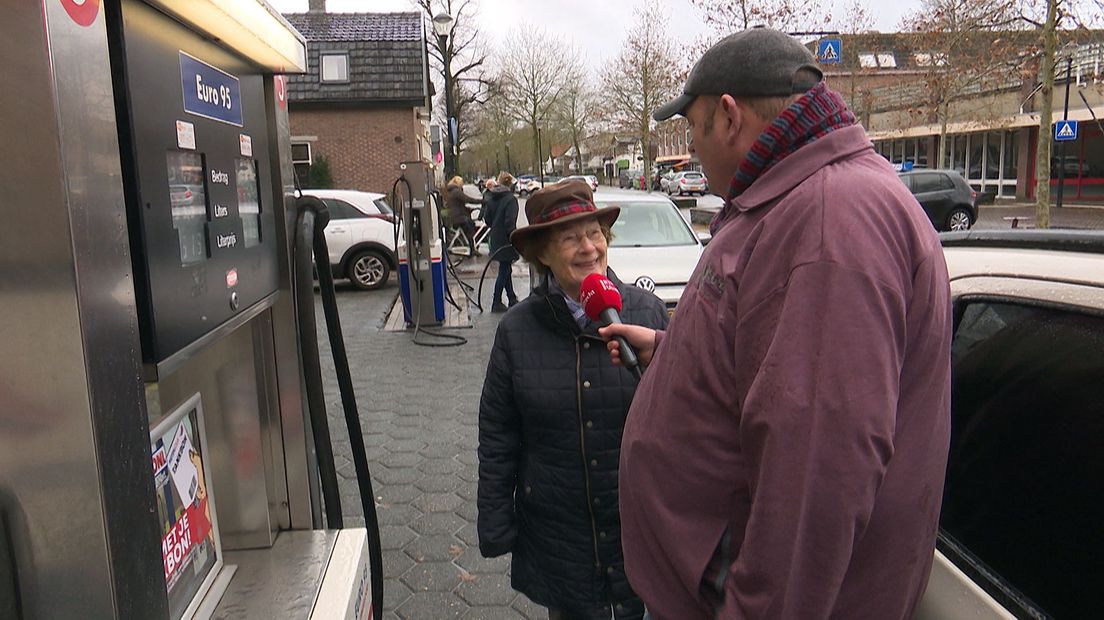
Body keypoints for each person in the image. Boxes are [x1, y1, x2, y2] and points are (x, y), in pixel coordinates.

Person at [599, 28, 953, 619]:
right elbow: (777, 365)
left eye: (693, 126)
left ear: (730, 116)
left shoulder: (825, 222)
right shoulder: (799, 202)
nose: (690, 145)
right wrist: (671, 352)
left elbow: (819, 468)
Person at [478, 181, 669, 620]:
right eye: (570, 238)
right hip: (560, 537)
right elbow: (498, 433)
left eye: (595, 234)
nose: (589, 248)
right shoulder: (517, 330)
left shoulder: (647, 314)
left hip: (639, 534)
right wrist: (495, 517)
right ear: (542, 253)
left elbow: (683, 423)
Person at [482, 172, 520, 312]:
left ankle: (511, 298)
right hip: (506, 239)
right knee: (504, 270)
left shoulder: (492, 197)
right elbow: (510, 222)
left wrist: (495, 227)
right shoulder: (511, 200)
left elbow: (487, 219)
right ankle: (496, 301)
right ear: (510, 184)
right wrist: (515, 238)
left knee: (506, 268)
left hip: (496, 238)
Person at [445, 175, 482, 255]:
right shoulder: (456, 192)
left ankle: (471, 246)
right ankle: (472, 250)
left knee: (471, 225)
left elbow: (458, 204)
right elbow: (467, 199)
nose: (462, 184)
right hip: (459, 217)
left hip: (456, 216)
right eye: (461, 183)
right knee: (469, 229)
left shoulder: (452, 191)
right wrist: (481, 201)